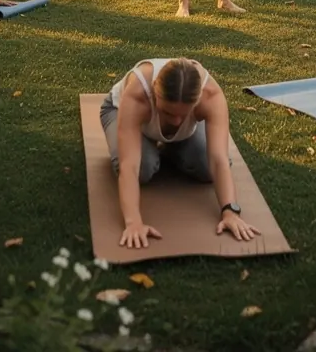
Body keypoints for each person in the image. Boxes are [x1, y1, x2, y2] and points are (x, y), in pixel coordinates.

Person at [100, 57, 260, 249]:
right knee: (144, 167)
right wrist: (133, 223)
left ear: (198, 99)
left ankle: (170, 147)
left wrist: (230, 211)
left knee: (207, 168)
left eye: (183, 115)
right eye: (168, 113)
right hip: (121, 111)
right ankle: (150, 145)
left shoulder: (211, 95)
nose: (176, 122)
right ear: (154, 94)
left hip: (183, 126)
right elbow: (130, 166)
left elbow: (219, 160)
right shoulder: (137, 94)